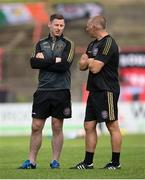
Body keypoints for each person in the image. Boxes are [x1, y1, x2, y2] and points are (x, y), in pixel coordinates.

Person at [18, 13, 74, 169]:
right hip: (43, 90)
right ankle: (31, 161)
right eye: (56, 25)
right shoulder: (40, 43)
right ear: (50, 24)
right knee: (36, 126)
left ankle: (55, 161)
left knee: (57, 126)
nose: (59, 28)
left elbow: (64, 66)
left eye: (62, 25)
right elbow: (33, 63)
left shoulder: (68, 44)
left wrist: (44, 61)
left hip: (61, 89)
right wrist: (53, 60)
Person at [70, 15, 122, 170]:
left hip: (107, 90)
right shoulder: (93, 44)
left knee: (112, 125)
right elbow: (81, 65)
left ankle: (115, 163)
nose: (86, 28)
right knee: (88, 125)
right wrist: (88, 61)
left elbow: (94, 67)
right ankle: (88, 163)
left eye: (88, 25)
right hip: (94, 90)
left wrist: (89, 61)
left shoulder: (109, 43)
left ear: (95, 26)